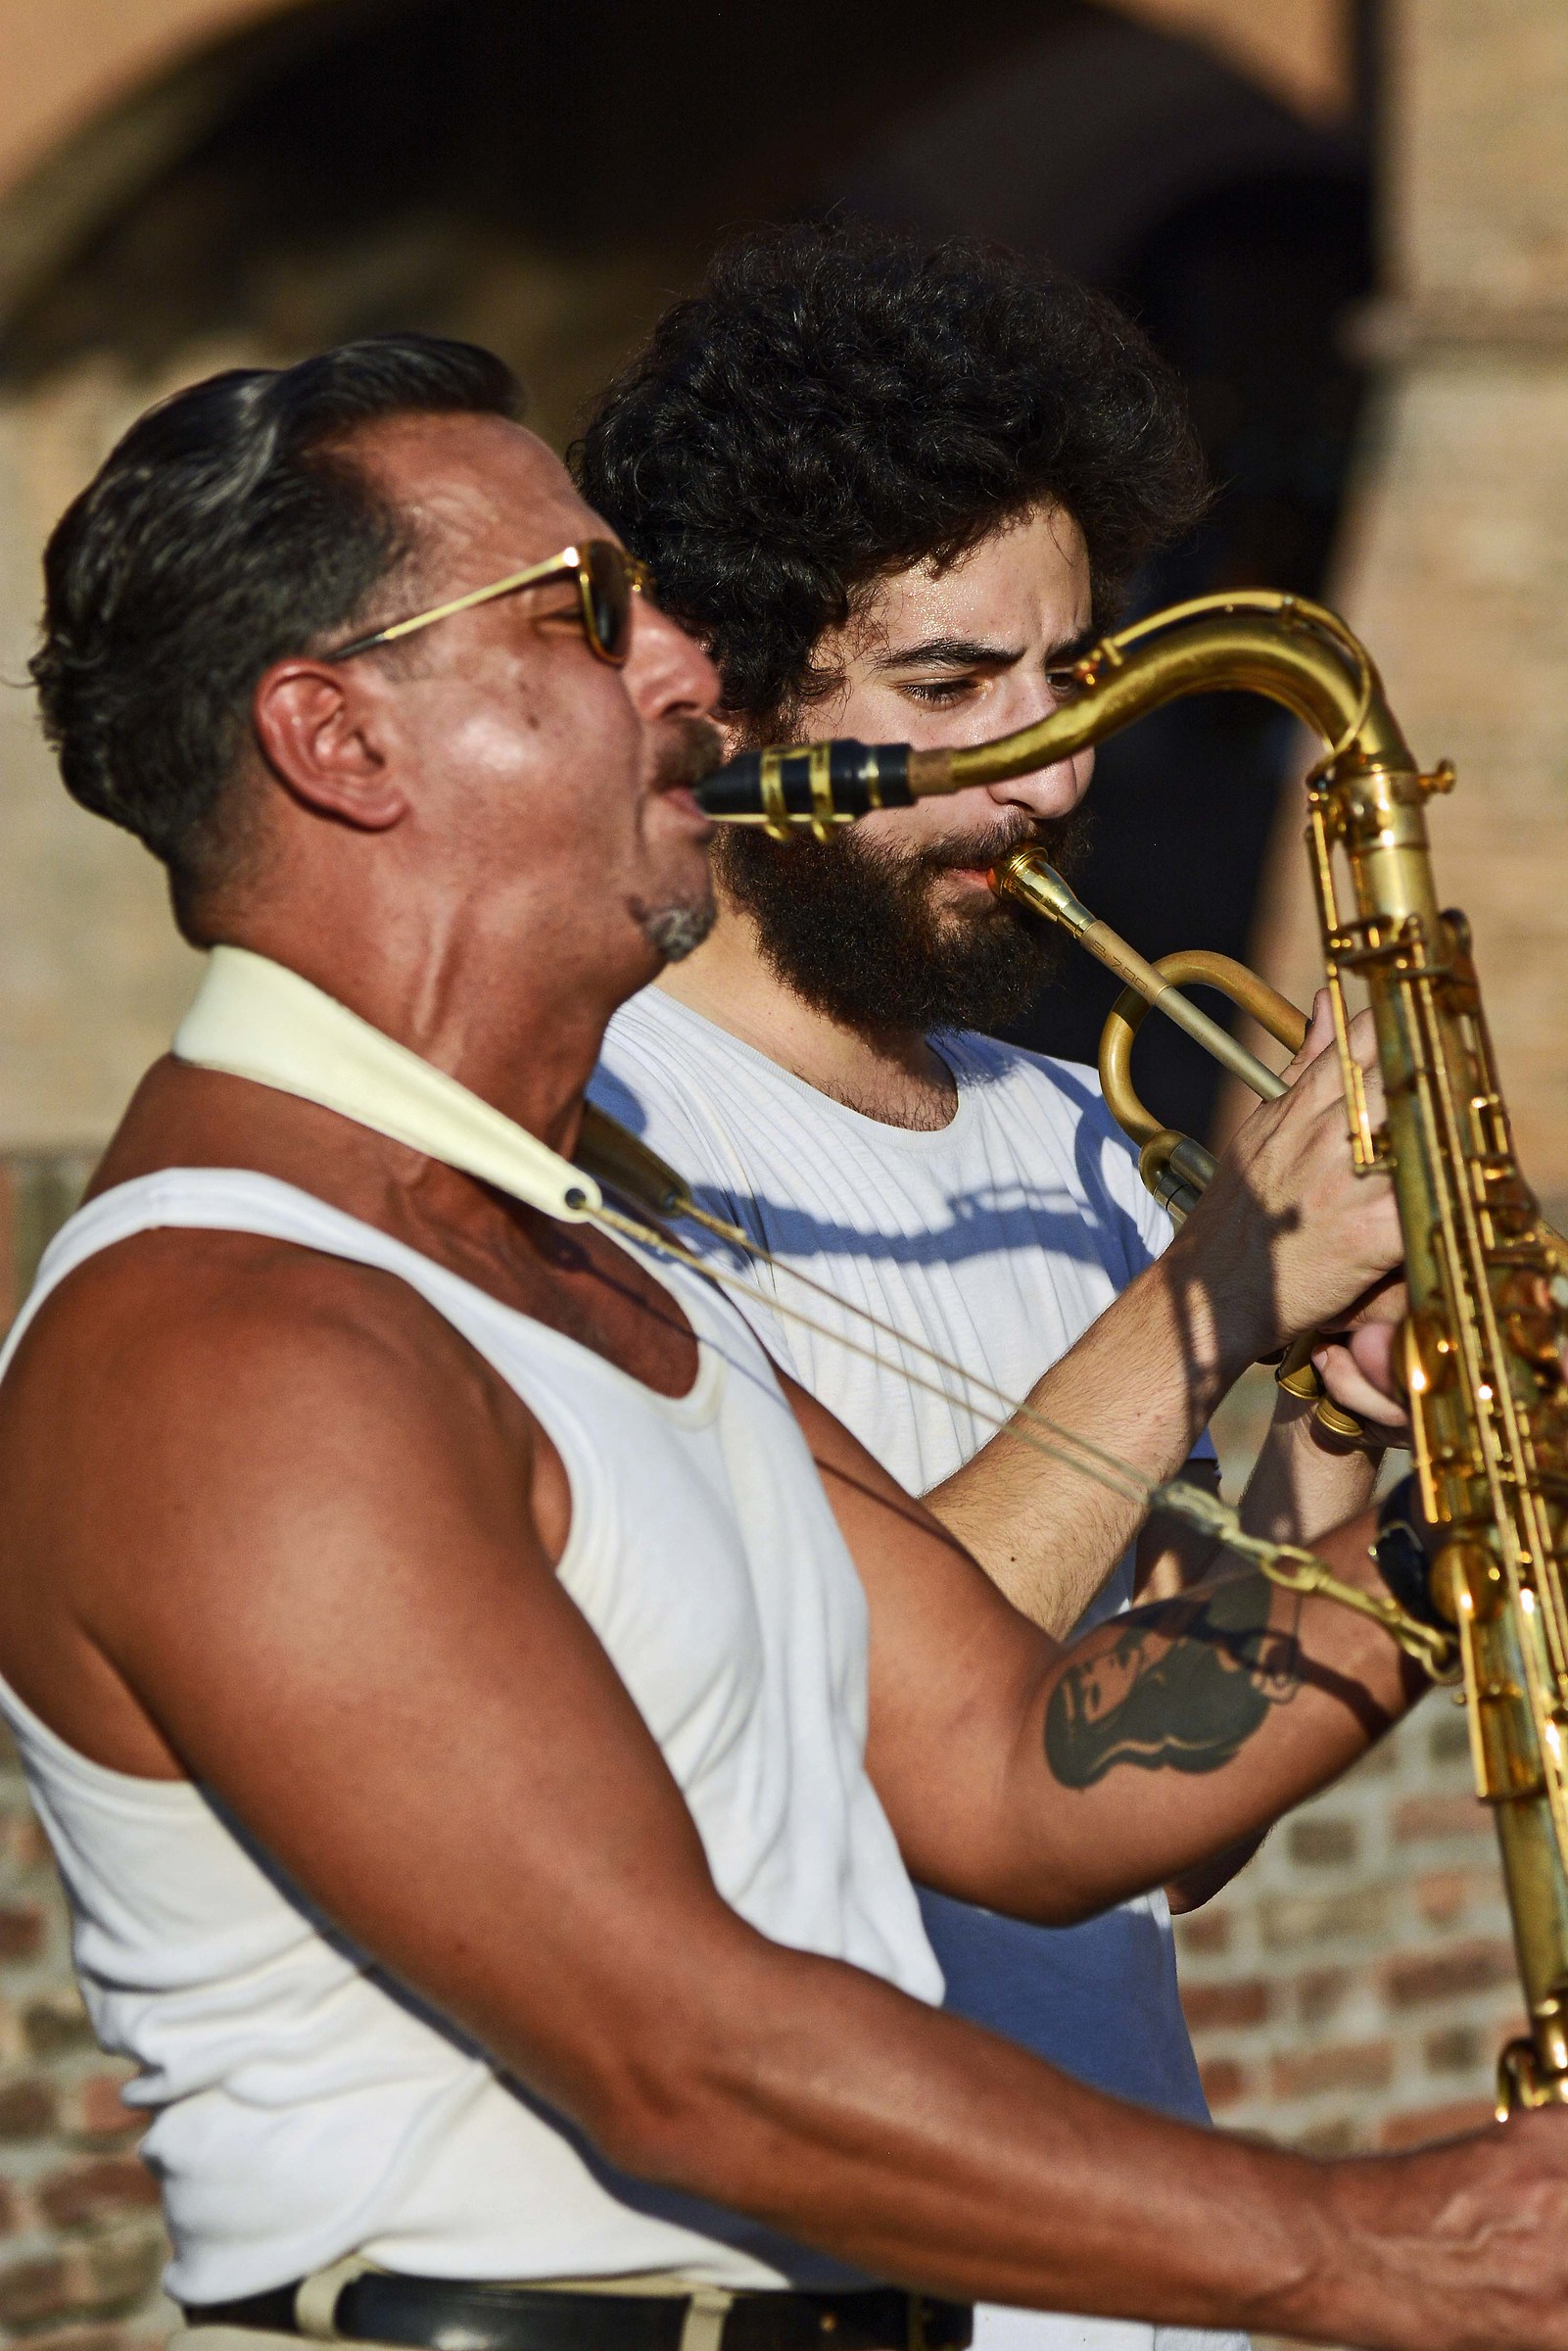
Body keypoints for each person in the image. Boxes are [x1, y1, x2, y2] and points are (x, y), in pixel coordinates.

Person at [3, 332, 1563, 2351]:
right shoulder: (235, 1334)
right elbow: (685, 2053)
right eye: (580, 611)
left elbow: (1015, 1778)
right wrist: (1383, 2248)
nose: (682, 665)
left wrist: (1466, 1518)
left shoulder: (577, 1272)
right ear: (339, 739)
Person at [574, 220, 1405, 2351]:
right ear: (734, 709)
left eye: (1072, 681)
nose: (1047, 773)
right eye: (950, 693)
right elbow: (867, 1739)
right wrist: (1217, 1287)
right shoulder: (593, 1129)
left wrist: (1341, 1429)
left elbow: (1157, 1825)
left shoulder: (1064, 1133)